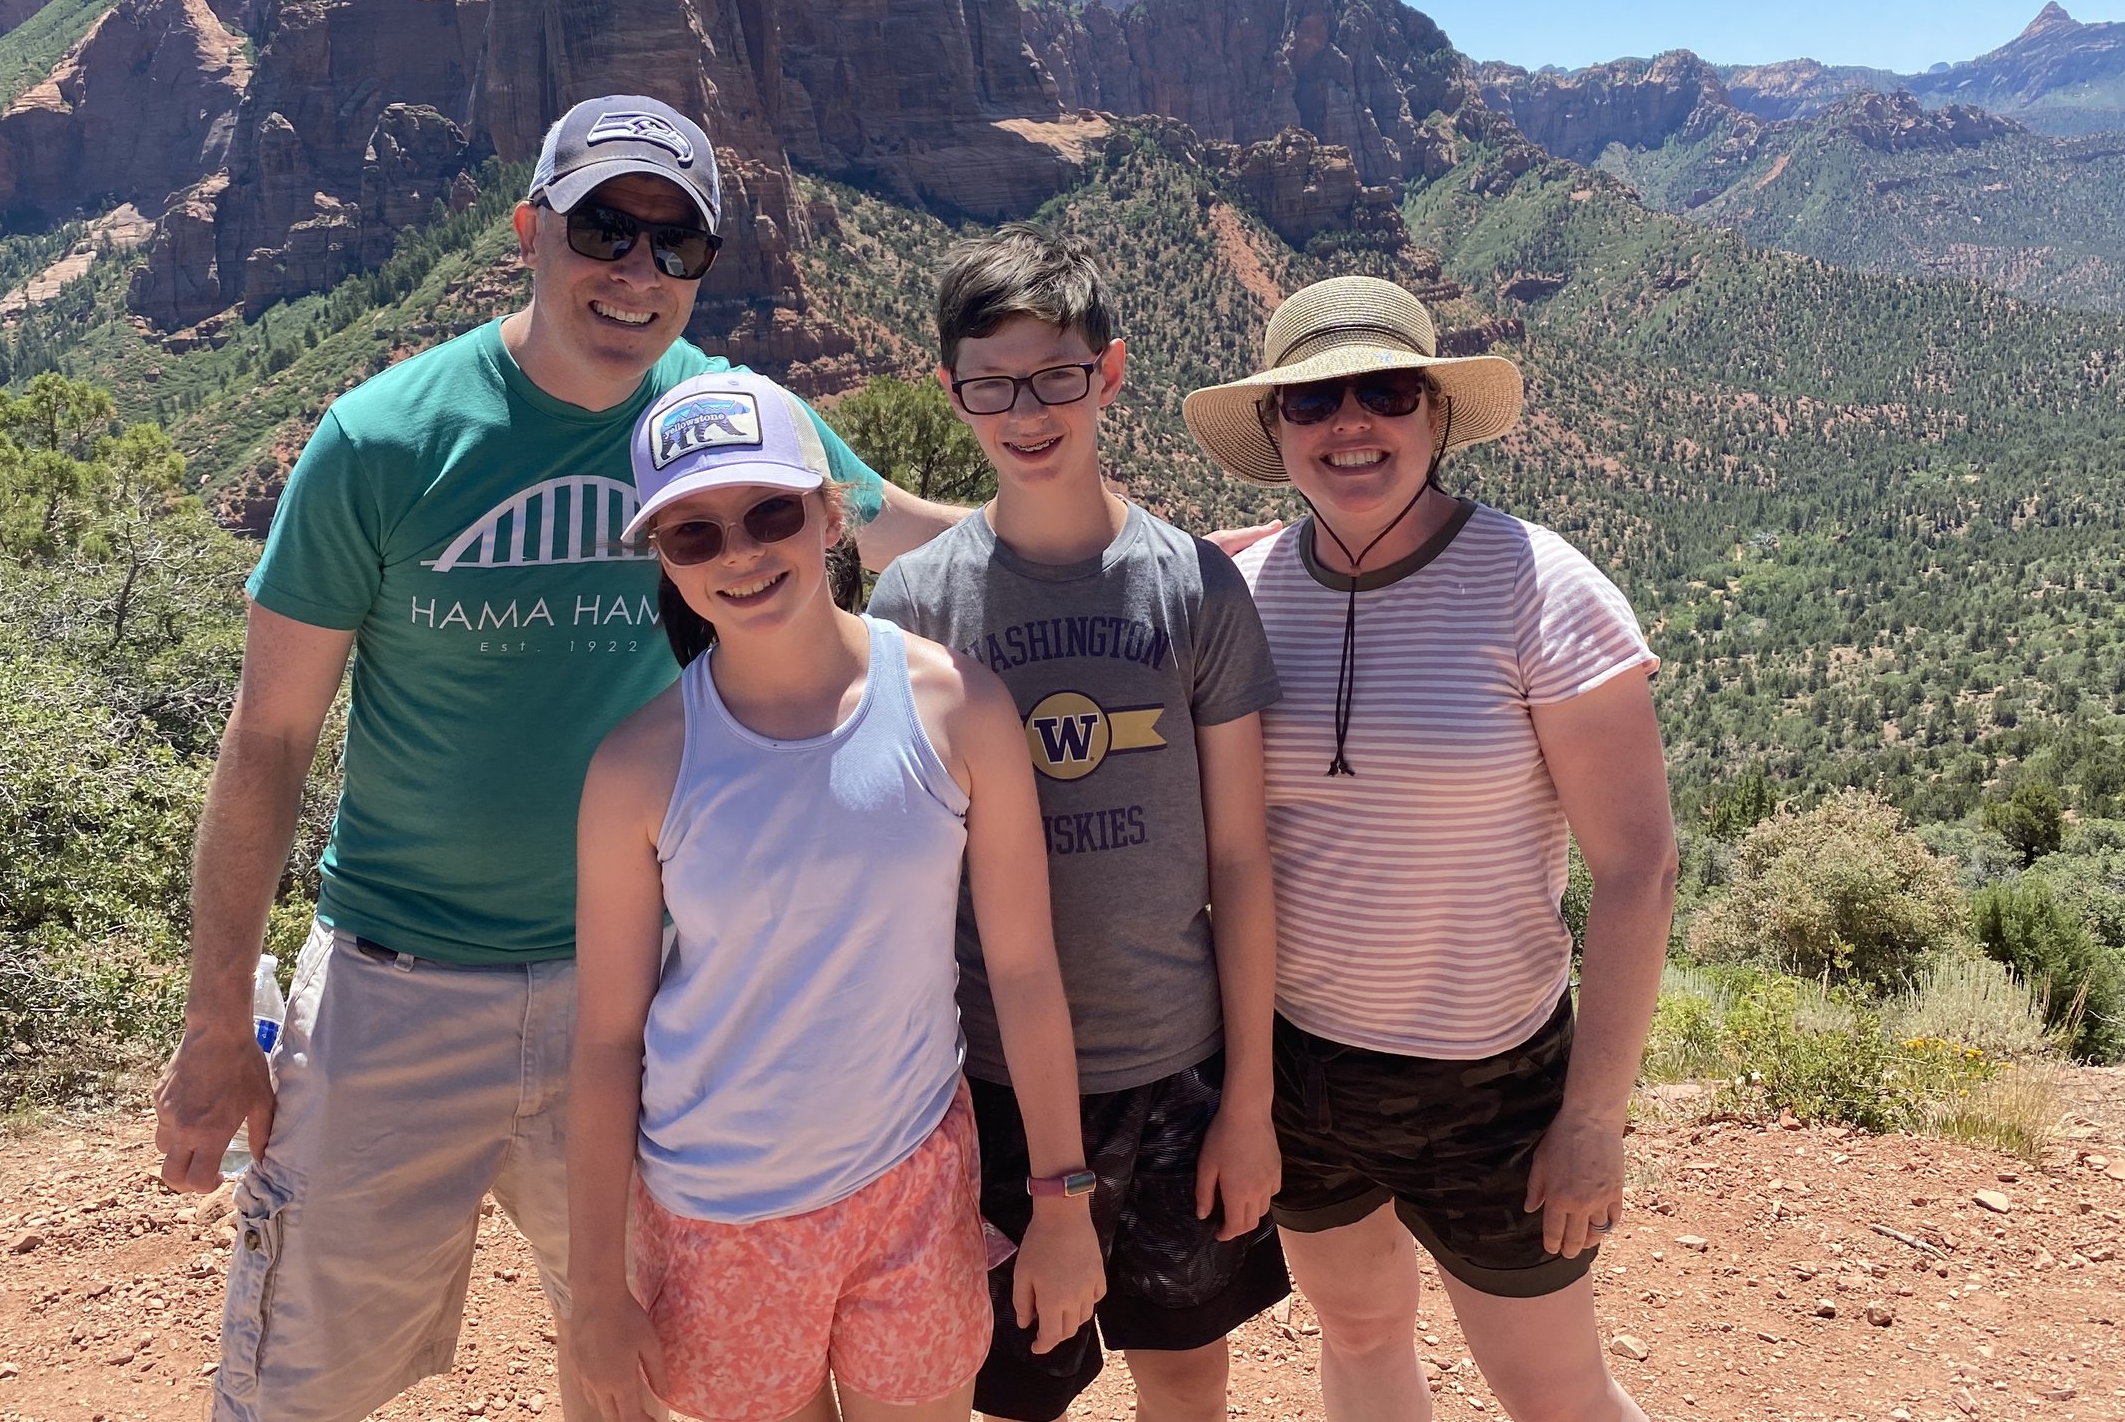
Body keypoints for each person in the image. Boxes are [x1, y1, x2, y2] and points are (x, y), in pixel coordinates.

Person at [153, 94, 967, 1422]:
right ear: (531, 229)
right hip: (394, 983)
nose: (636, 272)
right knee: (297, 1380)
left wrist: (1127, 551)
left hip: (656, 994)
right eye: (604, 227)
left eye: (675, 245)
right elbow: (270, 735)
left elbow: (908, 537)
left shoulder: (731, 424)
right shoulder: (381, 441)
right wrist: (213, 1021)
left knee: (659, 1363)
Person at [1180, 275, 1677, 1422]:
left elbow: (1640, 870)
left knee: (1550, 1390)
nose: (1349, 422)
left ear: (1436, 414)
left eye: (1386, 390)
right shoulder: (1236, 593)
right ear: (1275, 430)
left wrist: (1591, 1122)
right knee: (1356, 1332)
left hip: (1490, 1083)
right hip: (1293, 1066)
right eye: (1311, 401)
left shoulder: (1538, 588)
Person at [566, 371, 1104, 1422]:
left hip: (911, 1188)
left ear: (831, 513)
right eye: (693, 536)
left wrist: (1062, 1196)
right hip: (716, 1217)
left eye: (770, 513)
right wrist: (595, 1289)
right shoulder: (637, 767)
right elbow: (604, 1040)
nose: (740, 554)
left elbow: (1026, 971)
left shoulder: (955, 706)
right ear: (666, 564)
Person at [867, 228, 1290, 1422]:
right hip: (986, 1080)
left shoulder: (1190, 587)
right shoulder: (915, 603)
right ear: (951, 393)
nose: (1026, 410)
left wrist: (1248, 1102)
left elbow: (1241, 859)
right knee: (1011, 1387)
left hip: (1176, 1070)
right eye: (990, 383)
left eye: (1055, 375)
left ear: (1107, 374)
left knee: (1188, 1370)